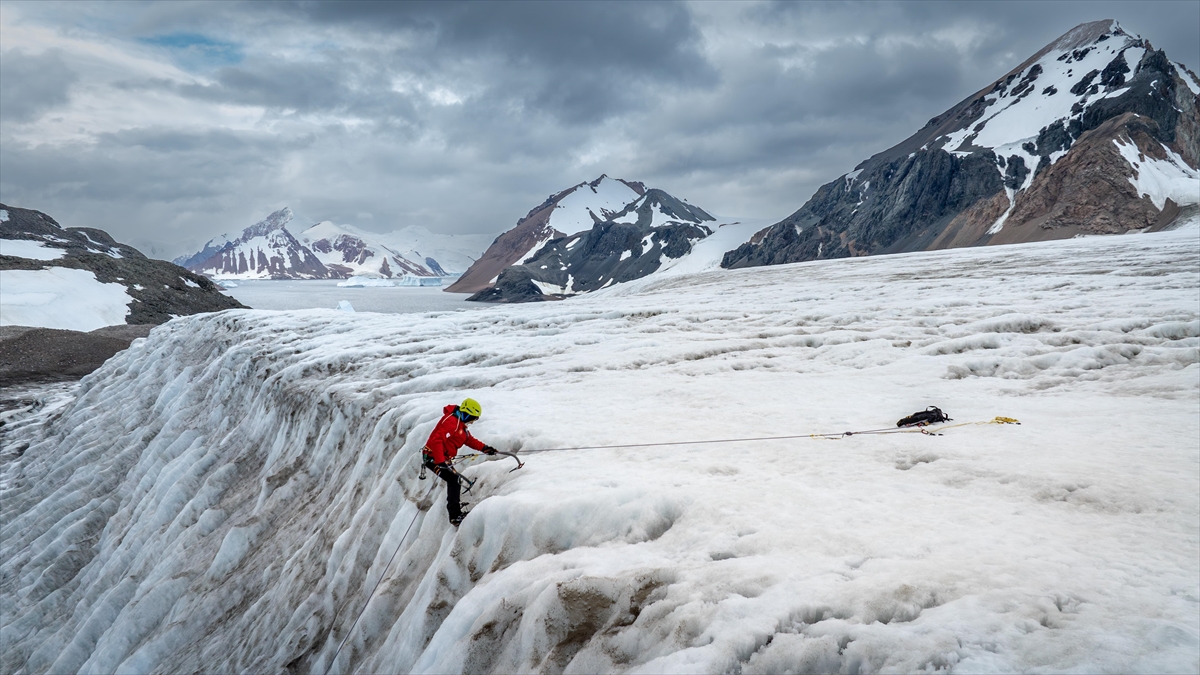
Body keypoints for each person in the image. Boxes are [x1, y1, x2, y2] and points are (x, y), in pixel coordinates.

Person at [423, 398, 497, 526]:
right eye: (473, 418)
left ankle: (455, 510)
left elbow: (469, 440)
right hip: (432, 458)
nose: (472, 421)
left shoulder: (460, 424)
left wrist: (485, 448)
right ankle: (455, 516)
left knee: (455, 479)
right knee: (454, 480)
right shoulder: (451, 422)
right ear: (467, 413)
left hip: (441, 458)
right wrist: (440, 462)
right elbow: (437, 441)